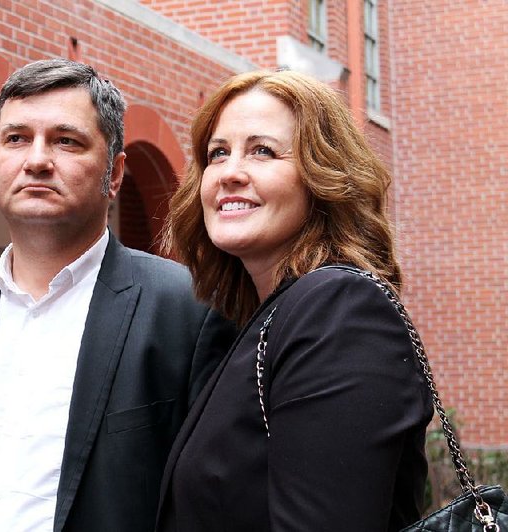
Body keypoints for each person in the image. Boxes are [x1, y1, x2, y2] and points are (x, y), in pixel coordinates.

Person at [0, 59, 237, 532]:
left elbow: (219, 504)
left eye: (66, 140)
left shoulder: (189, 309)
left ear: (114, 174)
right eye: (16, 138)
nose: (37, 159)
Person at [155, 70, 433, 531]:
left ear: (322, 176)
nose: (230, 173)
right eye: (217, 154)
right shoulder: (264, 318)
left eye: (262, 151)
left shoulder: (340, 311)